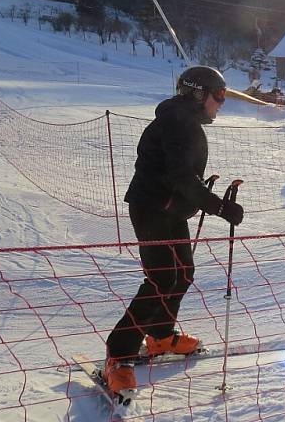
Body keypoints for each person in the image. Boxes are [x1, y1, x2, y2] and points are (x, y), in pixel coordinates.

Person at [103, 66, 244, 400]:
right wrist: (218, 207)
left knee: (182, 273)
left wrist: (201, 198)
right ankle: (119, 352)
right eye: (218, 95)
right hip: (152, 210)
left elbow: (180, 177)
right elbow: (182, 178)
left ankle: (160, 336)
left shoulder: (183, 121)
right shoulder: (178, 122)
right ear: (198, 95)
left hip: (170, 211)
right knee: (161, 279)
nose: (221, 103)